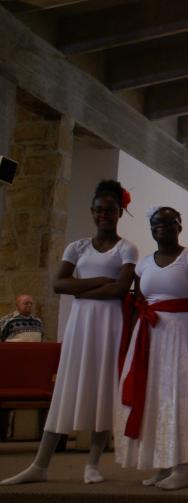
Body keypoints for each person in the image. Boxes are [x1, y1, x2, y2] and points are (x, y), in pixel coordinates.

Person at [1, 180, 138, 485]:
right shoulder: (77, 246)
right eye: (100, 210)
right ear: (92, 211)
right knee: (67, 386)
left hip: (110, 324)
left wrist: (83, 287)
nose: (105, 215)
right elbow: (58, 284)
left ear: (120, 212)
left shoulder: (127, 248)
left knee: (104, 387)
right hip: (81, 324)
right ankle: (40, 464)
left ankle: (93, 464)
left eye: (111, 210)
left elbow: (119, 290)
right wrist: (101, 279)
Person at [115, 206, 188, 491]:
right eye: (157, 222)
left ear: (180, 225)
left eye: (169, 222)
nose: (162, 226)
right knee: (154, 398)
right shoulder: (143, 264)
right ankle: (162, 464)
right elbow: (140, 304)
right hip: (148, 337)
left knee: (179, 397)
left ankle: (181, 468)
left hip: (182, 334)